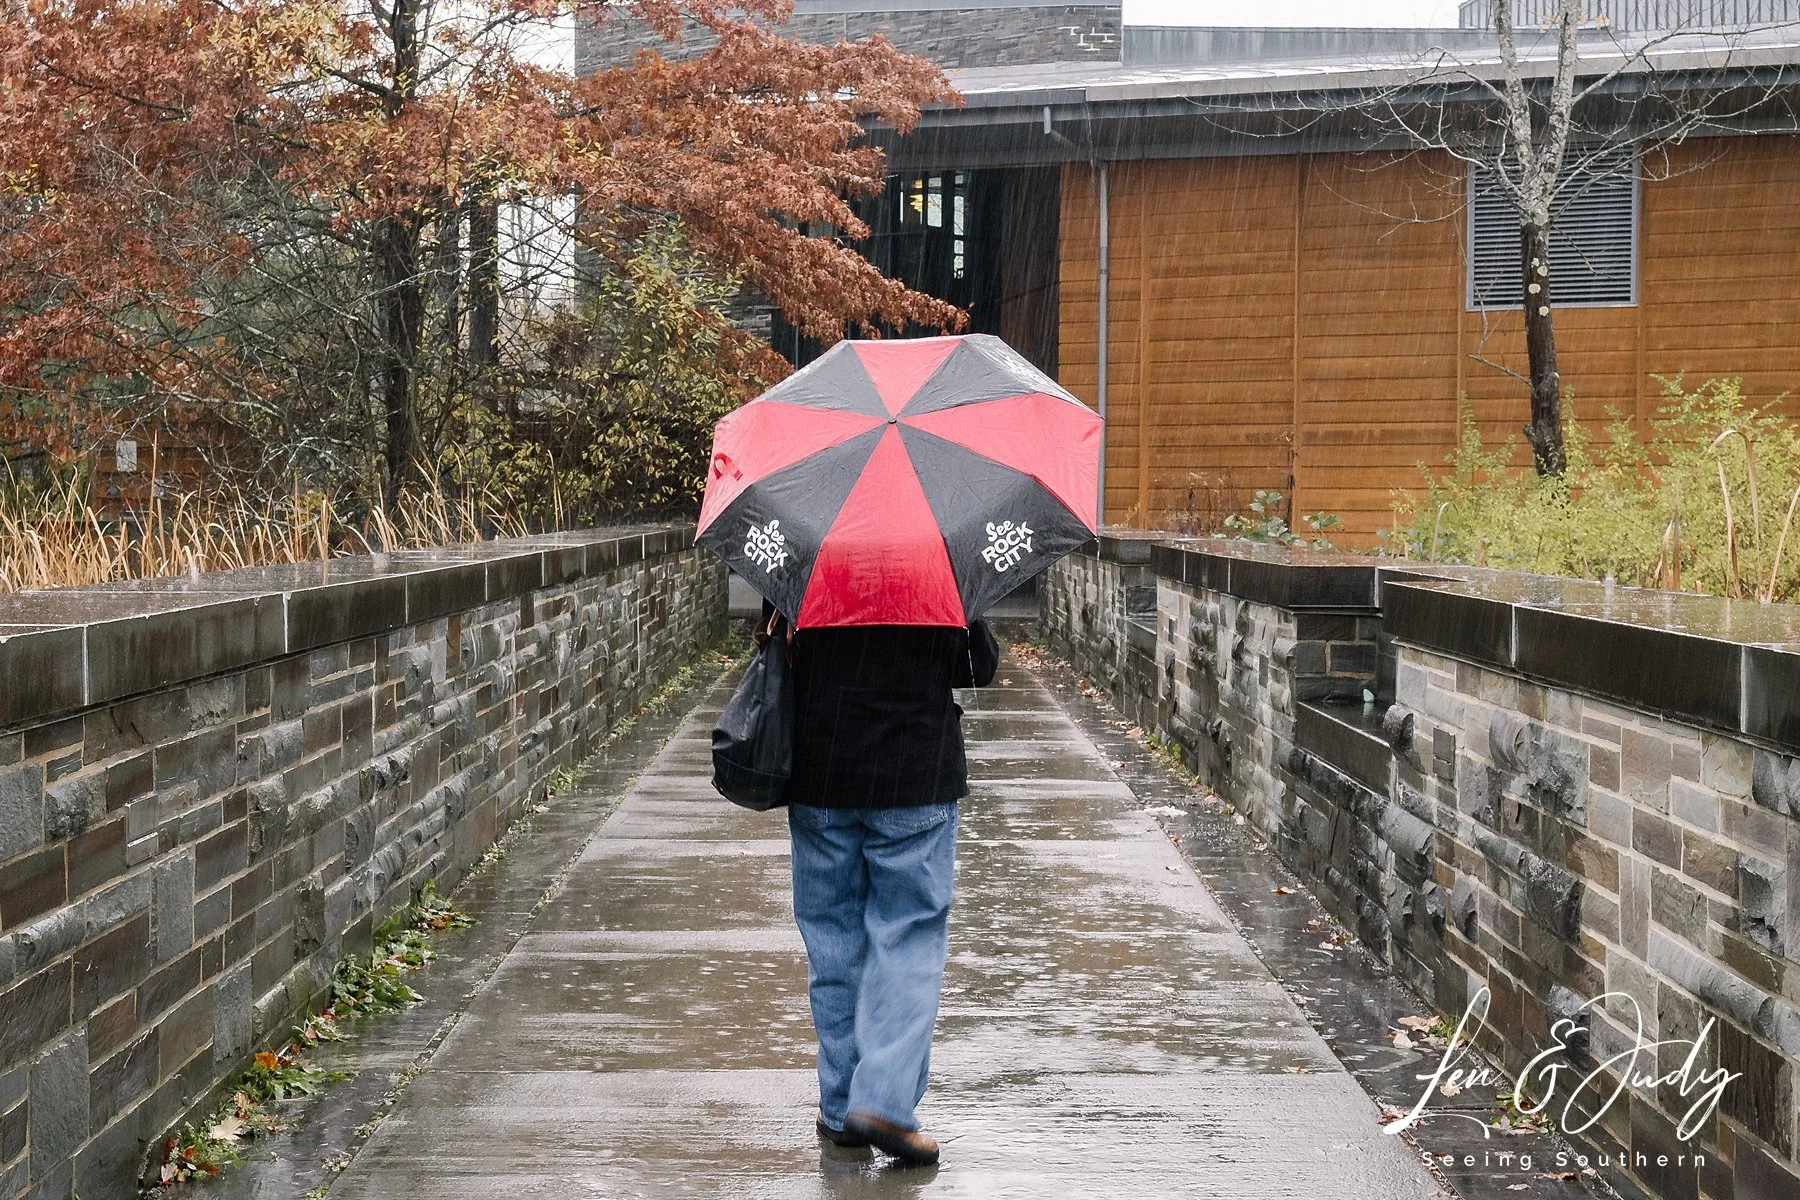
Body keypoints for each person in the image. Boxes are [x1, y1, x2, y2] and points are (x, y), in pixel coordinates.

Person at [762, 602, 999, 1167]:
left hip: (821, 773)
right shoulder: (939, 566)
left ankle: (843, 1106)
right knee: (908, 938)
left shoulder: (811, 553)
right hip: (913, 776)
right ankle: (886, 1105)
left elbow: (776, 653)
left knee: (833, 943)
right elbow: (977, 667)